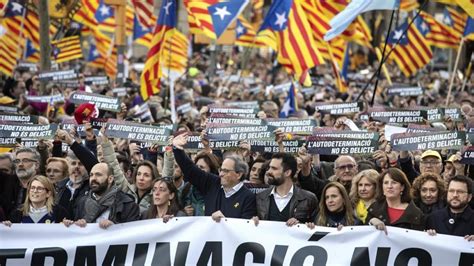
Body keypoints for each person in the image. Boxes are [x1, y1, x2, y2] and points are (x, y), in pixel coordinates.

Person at [172, 133, 257, 221]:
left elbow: (244, 229)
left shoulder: (248, 197)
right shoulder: (212, 183)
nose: (221, 174)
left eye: (226, 171)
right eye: (221, 170)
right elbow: (191, 170)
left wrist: (224, 222)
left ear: (238, 174)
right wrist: (177, 150)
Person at [254, 153, 318, 226]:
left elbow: (318, 227)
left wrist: (301, 225)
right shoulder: (260, 197)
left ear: (287, 173)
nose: (268, 172)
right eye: (269, 168)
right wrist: (252, 221)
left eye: (274, 168)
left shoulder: (308, 199)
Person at [72, 163, 140, 229]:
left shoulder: (128, 205)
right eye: (91, 175)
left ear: (110, 179)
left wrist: (114, 227)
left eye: (98, 175)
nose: (93, 178)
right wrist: (71, 225)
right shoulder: (82, 202)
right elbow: (77, 234)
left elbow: (132, 234)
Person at [367, 168, 424, 232]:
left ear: (402, 187)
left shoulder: (415, 214)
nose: (389, 186)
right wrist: (371, 221)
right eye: (386, 183)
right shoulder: (374, 209)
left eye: (394, 182)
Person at [3, 176, 68, 225]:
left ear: (48, 193)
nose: (35, 191)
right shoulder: (17, 213)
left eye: (39, 188)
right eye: (32, 188)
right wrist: (7, 226)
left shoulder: (60, 212)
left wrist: (67, 224)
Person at [426, 175, 474, 241]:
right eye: (451, 191)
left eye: (460, 192)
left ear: (469, 197)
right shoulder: (433, 218)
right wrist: (427, 236)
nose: (455, 195)